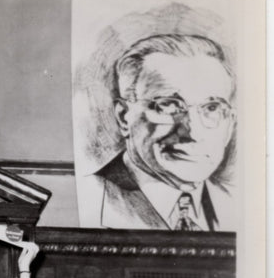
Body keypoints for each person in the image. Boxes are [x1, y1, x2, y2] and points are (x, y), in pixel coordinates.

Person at [82, 34, 236, 231]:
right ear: (124, 116)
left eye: (211, 108)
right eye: (168, 105)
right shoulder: (89, 200)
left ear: (230, 124)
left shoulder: (239, 206)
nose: (193, 132)